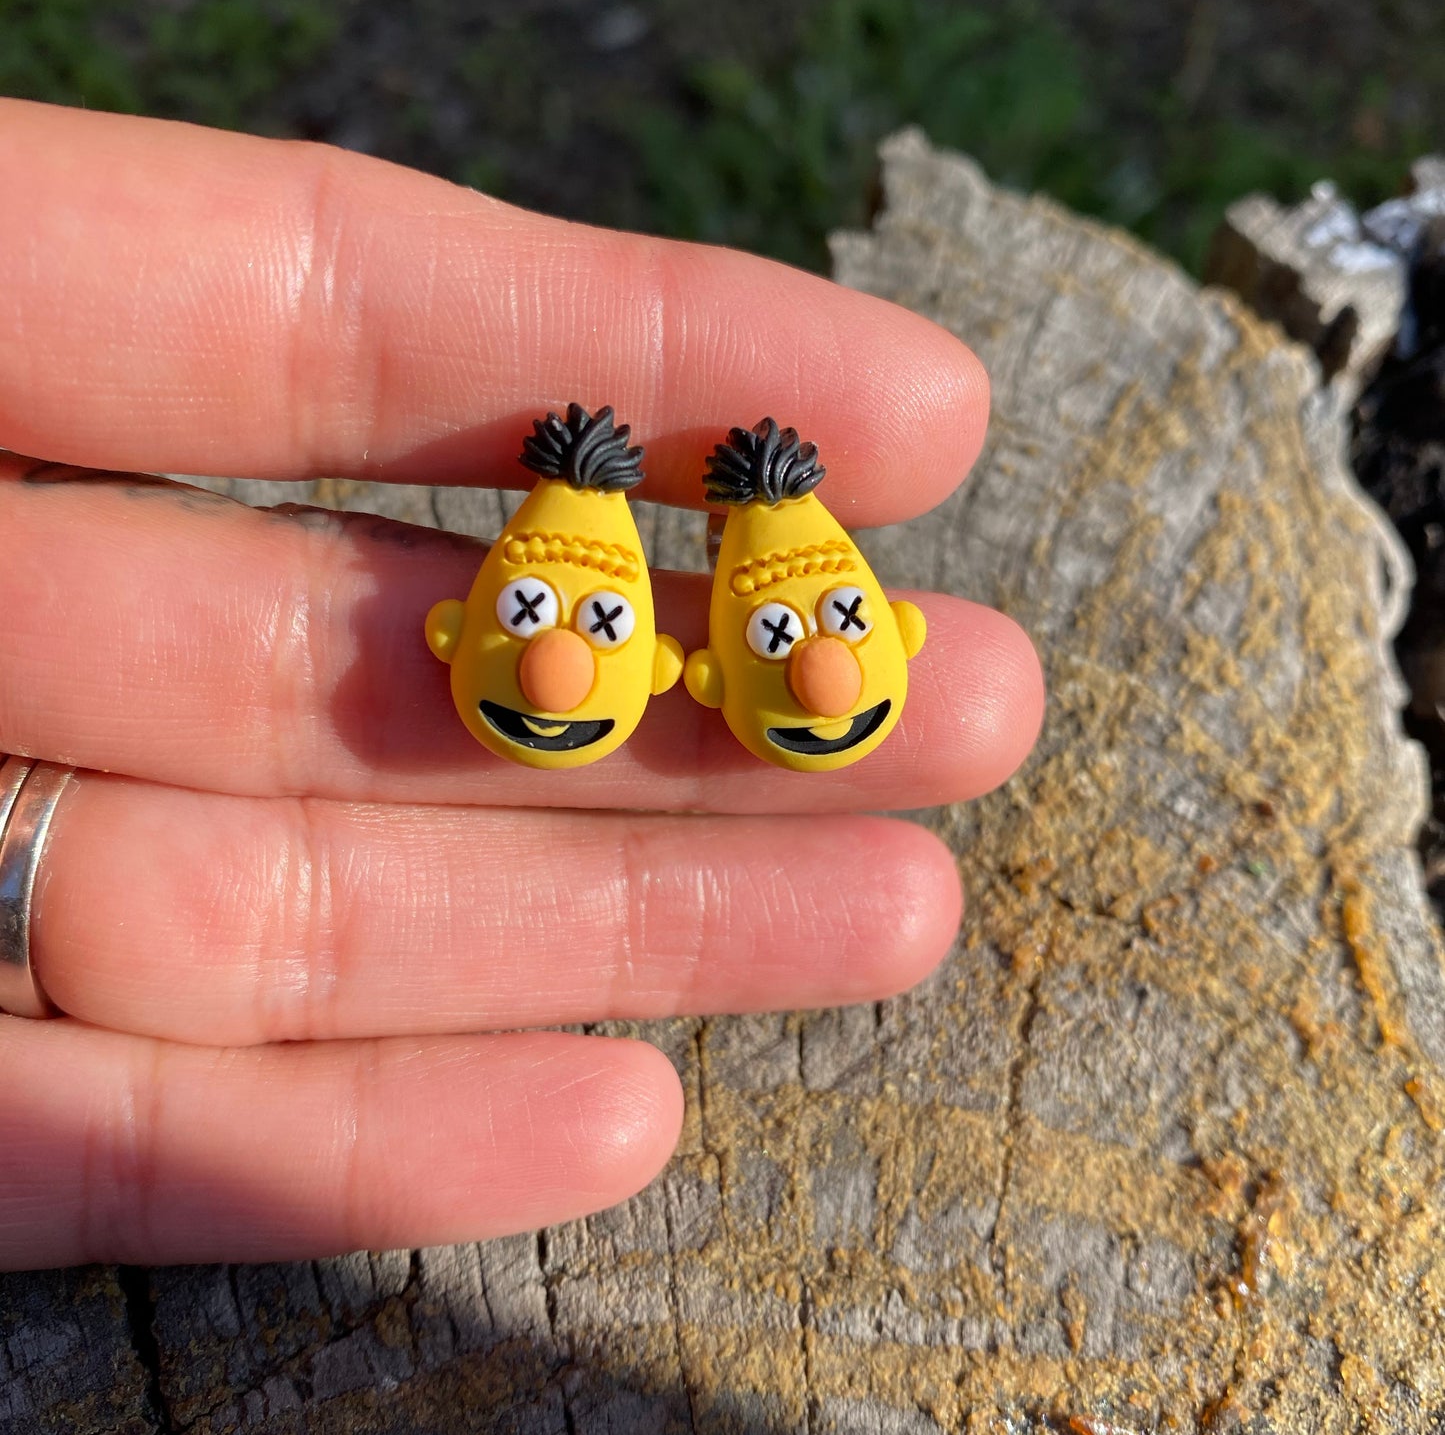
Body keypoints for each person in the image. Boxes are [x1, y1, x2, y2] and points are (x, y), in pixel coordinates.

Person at [0, 99, 1043, 1271]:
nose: (825, 667)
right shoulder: (607, 638)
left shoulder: (752, 630)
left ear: (675, 672)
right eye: (539, 621)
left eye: (841, 626)